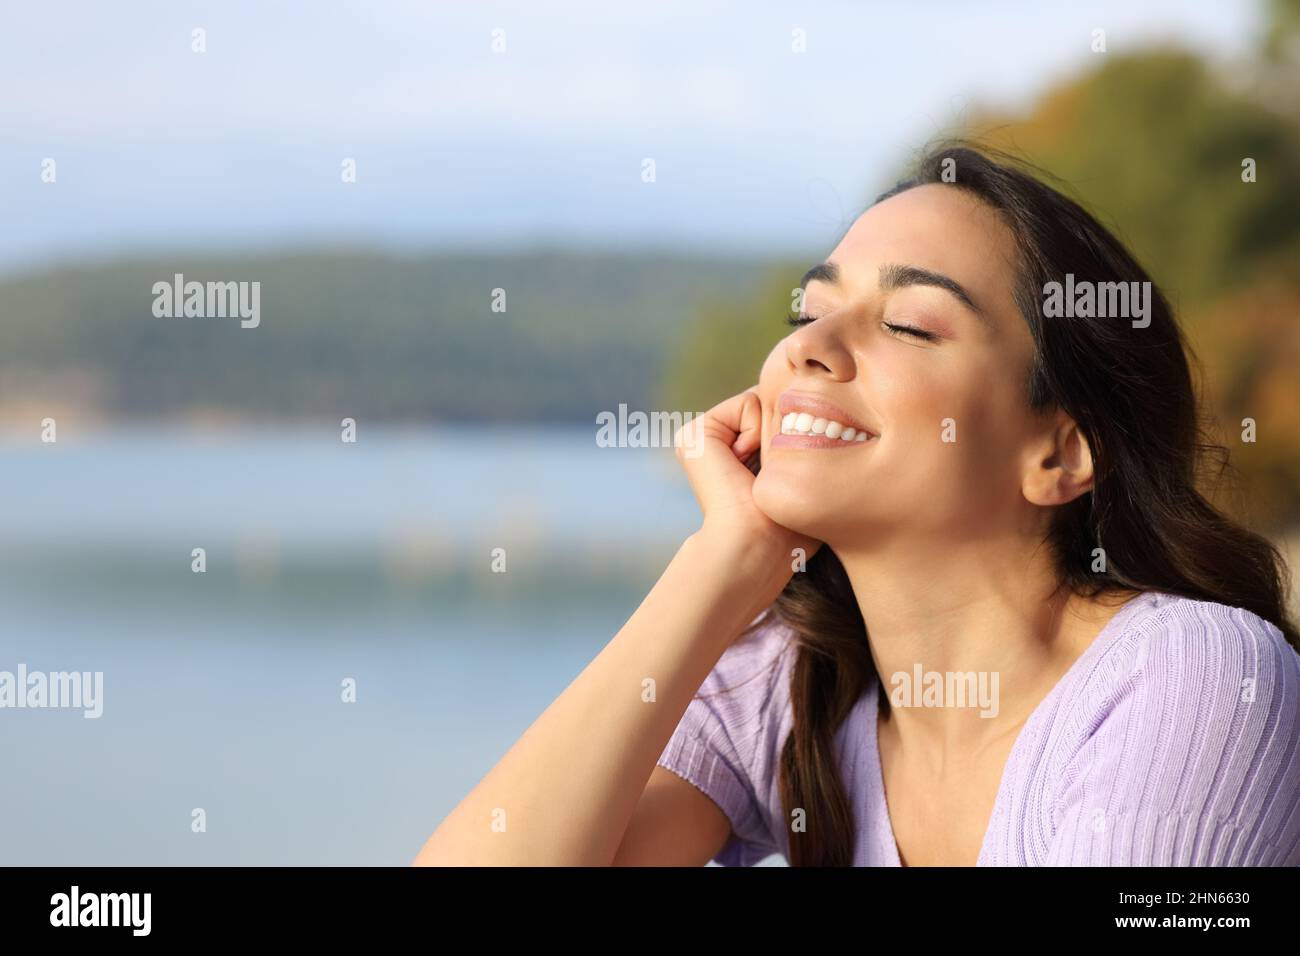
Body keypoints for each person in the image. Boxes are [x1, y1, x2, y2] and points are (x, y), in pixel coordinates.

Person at [413, 143, 1300, 867]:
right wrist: (718, 569)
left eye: (909, 324)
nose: (809, 348)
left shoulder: (1194, 671)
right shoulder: (790, 691)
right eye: (809, 310)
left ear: (1060, 452)